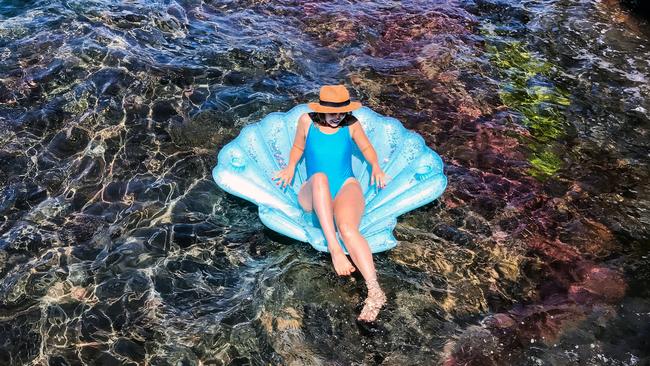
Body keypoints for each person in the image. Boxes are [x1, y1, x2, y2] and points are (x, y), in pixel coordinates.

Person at [272, 84, 388, 322]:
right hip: (312, 191)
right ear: (321, 108)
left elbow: (366, 147)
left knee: (348, 229)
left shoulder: (351, 124)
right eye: (333, 111)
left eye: (342, 111)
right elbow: (297, 147)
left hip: (346, 185)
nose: (337, 116)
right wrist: (291, 167)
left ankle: (375, 291)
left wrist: (375, 165)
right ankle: (336, 250)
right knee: (320, 177)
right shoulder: (306, 121)